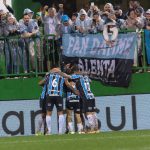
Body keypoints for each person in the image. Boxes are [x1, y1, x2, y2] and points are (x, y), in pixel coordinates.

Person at [39, 64, 78, 135]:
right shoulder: (62, 75)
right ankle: (60, 132)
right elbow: (68, 82)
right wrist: (74, 90)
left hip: (50, 94)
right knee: (60, 113)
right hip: (58, 95)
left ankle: (49, 131)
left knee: (48, 113)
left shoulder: (48, 75)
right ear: (57, 68)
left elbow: (41, 82)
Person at [71, 65, 99, 133]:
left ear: (74, 71)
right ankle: (96, 128)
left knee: (88, 112)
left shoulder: (76, 76)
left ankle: (92, 129)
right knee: (93, 111)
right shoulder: (85, 76)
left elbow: (69, 76)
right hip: (91, 95)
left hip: (86, 96)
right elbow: (90, 81)